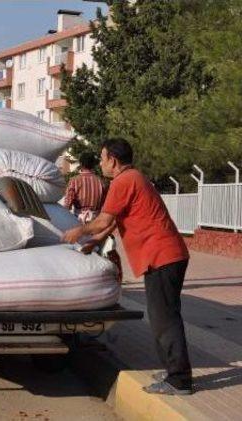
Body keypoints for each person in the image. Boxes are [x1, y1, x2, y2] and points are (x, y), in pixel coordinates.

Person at [62, 138, 192, 395]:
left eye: (102, 158)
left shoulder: (123, 181)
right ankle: (173, 370)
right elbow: (114, 222)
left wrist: (80, 231)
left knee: (164, 320)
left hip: (161, 256)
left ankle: (180, 380)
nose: (100, 163)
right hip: (166, 254)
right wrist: (96, 241)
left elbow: (103, 220)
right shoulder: (132, 178)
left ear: (113, 159)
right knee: (165, 316)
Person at [63, 151, 106, 224]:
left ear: (81, 164)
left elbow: (67, 205)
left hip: (78, 219)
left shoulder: (74, 181)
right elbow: (104, 205)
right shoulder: (100, 182)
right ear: (93, 165)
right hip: (95, 221)